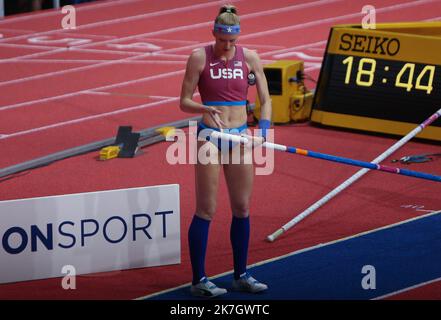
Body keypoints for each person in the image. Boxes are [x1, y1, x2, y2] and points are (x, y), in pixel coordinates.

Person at [179, 4, 272, 298]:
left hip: (242, 138)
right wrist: (203, 106)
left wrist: (264, 132)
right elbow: (183, 101)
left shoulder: (250, 57)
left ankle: (241, 275)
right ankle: (198, 280)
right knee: (206, 209)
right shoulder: (199, 57)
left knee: (242, 208)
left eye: (232, 41)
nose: (226, 47)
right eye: (221, 41)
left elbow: (266, 100)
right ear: (214, 34)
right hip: (210, 137)